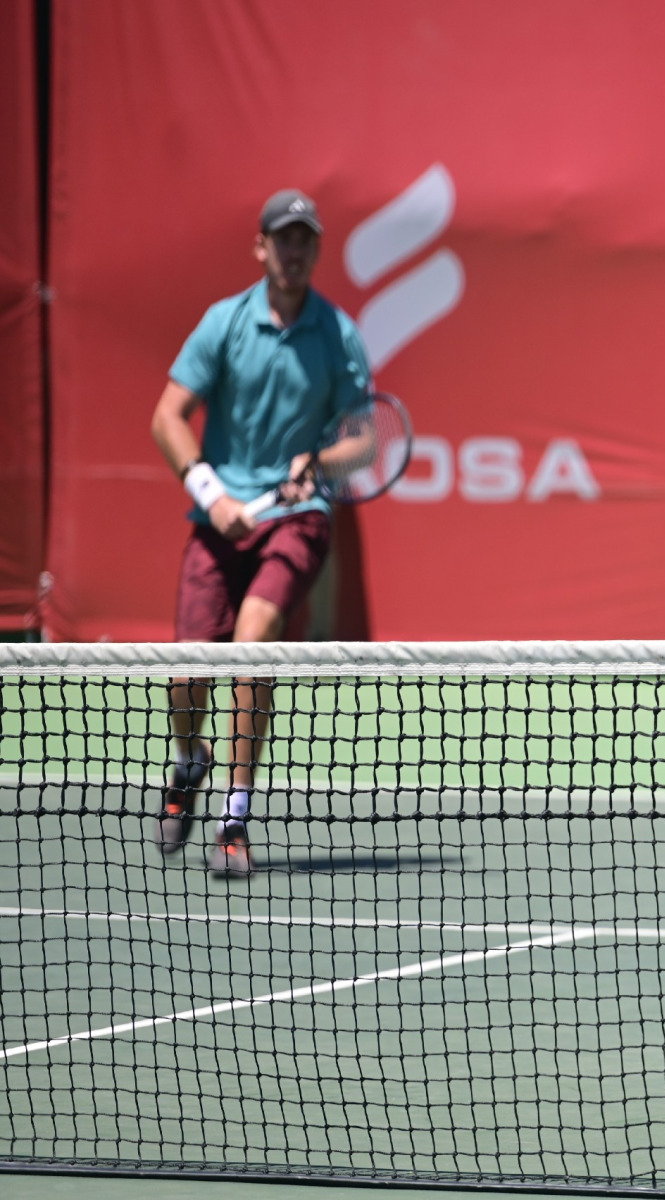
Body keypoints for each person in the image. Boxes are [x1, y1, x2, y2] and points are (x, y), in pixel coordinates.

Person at [148, 188, 373, 879]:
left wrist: (320, 462)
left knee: (253, 644)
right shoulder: (224, 323)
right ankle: (191, 763)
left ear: (317, 250)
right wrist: (211, 495)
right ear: (261, 247)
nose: (293, 251)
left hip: (297, 519)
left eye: (305, 239)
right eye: (283, 238)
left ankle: (234, 817)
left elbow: (364, 440)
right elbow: (167, 417)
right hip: (220, 520)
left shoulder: (338, 334)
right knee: (186, 677)